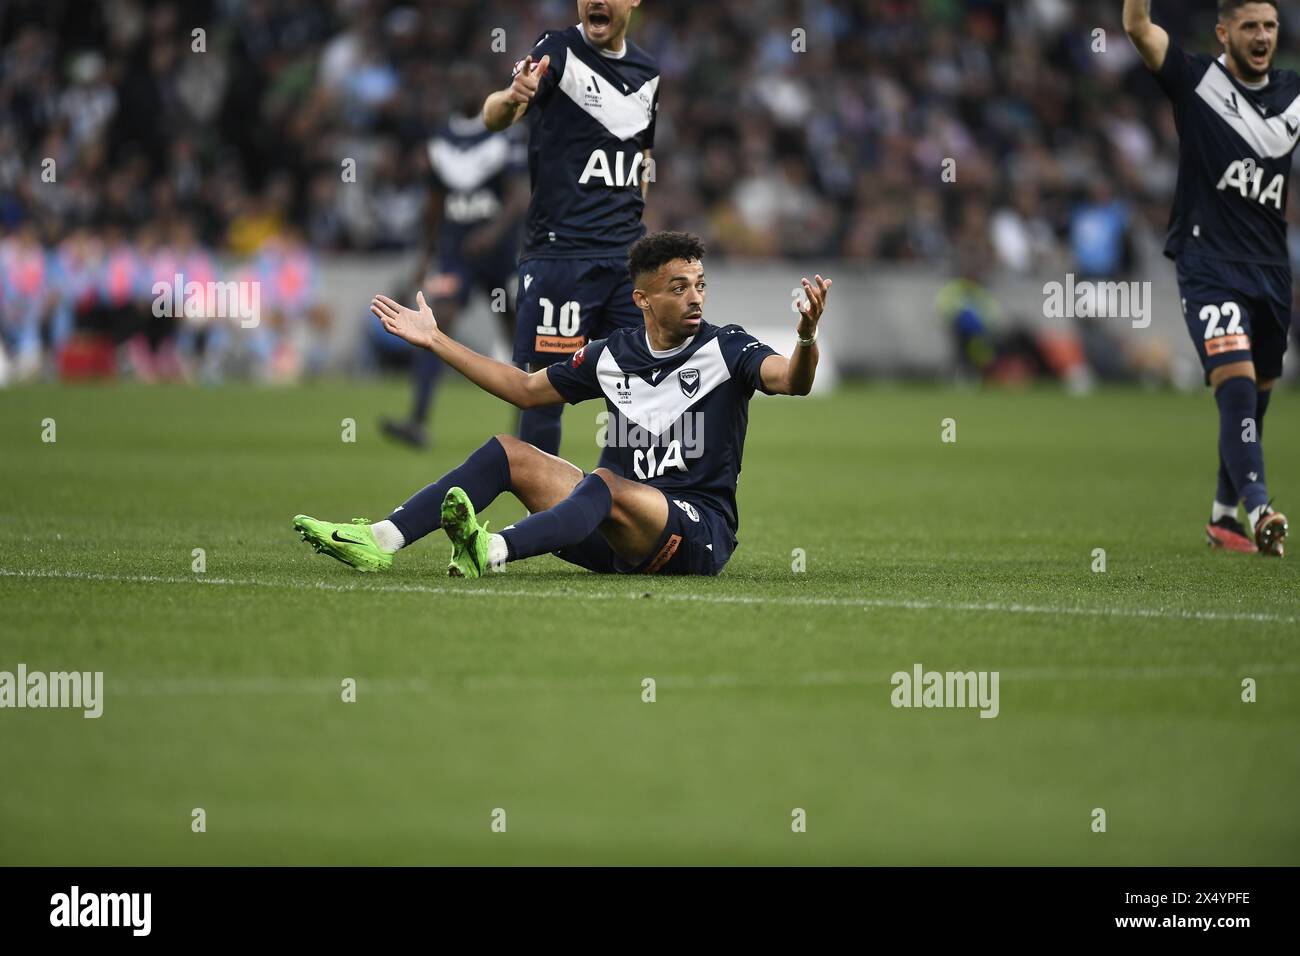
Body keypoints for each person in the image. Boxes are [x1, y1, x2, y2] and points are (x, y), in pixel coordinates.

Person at [293, 232, 833, 578]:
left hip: (694, 535)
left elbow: (792, 380)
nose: (695, 297)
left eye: (700, 284)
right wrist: (437, 341)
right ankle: (381, 539)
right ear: (643, 299)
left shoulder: (727, 347)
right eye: (678, 287)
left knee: (604, 482)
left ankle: (494, 550)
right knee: (509, 451)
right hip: (609, 533)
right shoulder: (610, 355)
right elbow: (525, 390)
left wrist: (805, 337)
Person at [1124, 0, 1290, 555]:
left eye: (1269, 25)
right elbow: (1137, 27)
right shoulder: (1196, 81)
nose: (1262, 35)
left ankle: (1223, 515)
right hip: (1208, 266)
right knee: (1237, 385)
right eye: (1250, 27)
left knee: (1254, 400)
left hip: (1271, 271)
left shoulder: (1292, 94)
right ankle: (1260, 505)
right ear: (1225, 33)